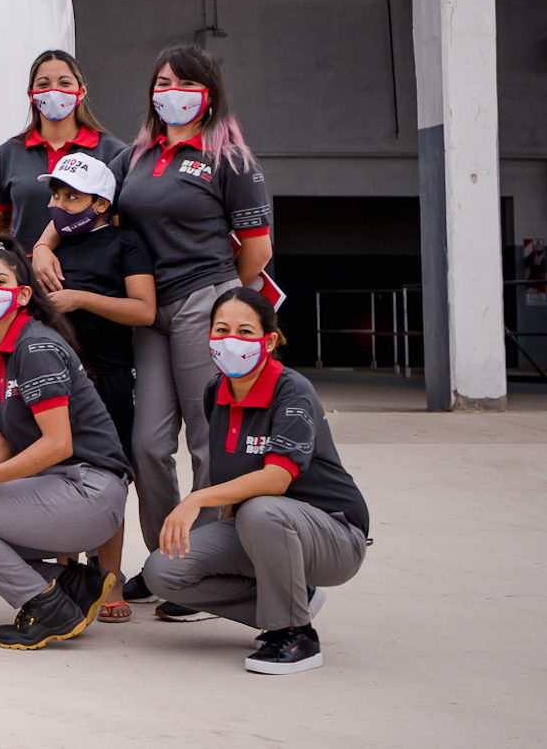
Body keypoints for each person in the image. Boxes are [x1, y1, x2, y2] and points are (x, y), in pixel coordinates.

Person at [35, 44, 274, 617]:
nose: (170, 92)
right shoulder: (138, 155)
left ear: (207, 93)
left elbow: (259, 248)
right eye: (161, 83)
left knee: (204, 438)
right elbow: (85, 200)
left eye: (183, 83)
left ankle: (205, 564)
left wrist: (221, 300)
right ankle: (164, 560)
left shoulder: (229, 159)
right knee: (146, 444)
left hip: (202, 301)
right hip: (148, 307)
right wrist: (44, 243)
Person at [142, 288, 368, 674]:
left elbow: (276, 479)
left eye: (245, 332)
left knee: (261, 509)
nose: (231, 340)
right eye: (222, 329)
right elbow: (232, 475)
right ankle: (294, 597)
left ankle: (295, 634)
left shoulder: (292, 390)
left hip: (334, 536)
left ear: (269, 340)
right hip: (264, 529)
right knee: (163, 571)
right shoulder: (216, 391)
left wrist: (195, 500)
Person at [0, 245, 132, 649]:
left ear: (22, 294)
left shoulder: (35, 348)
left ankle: (44, 604)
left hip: (87, 491)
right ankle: (74, 585)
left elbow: (58, 444)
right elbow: (5, 439)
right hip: (54, 491)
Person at [40, 153, 157, 621]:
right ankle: (67, 576)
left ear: (103, 203)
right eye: (56, 194)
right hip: (52, 382)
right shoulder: (50, 249)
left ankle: (110, 581)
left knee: (108, 479)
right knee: (53, 476)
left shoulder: (125, 243)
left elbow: (144, 310)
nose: (61, 204)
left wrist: (80, 299)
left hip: (106, 379)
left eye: (73, 196)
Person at [0, 50, 128, 244]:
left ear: (81, 92)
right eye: (43, 84)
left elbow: (122, 225)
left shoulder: (113, 152)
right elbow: (1, 226)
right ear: (31, 95)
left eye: (64, 83)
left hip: (93, 271)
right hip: (26, 271)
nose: (54, 91)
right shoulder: (8, 153)